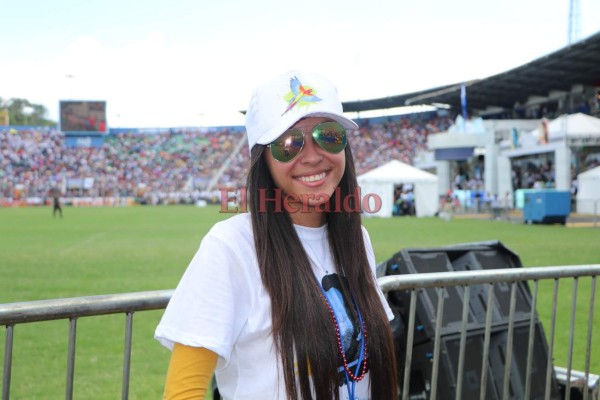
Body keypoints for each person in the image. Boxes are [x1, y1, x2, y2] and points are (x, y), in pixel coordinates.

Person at [155, 71, 398, 400]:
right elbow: (183, 391)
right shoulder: (232, 246)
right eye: (289, 143)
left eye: (328, 135)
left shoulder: (357, 239)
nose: (312, 156)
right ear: (263, 160)